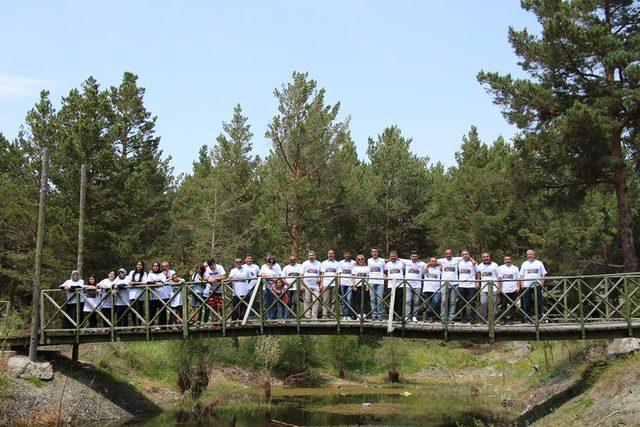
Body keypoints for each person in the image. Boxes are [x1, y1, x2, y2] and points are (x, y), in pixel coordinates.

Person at [519, 249, 547, 323]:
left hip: (537, 285)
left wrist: (542, 284)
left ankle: (539, 318)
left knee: (538, 301)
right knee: (527, 302)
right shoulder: (524, 264)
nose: (529, 256)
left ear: (534, 255)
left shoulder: (539, 263)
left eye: (530, 254)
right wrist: (522, 284)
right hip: (527, 285)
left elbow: (543, 274)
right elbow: (521, 275)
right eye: (527, 254)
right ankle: (527, 319)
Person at [402, 251, 426, 322]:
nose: (414, 258)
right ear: (410, 257)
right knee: (408, 301)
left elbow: (431, 264)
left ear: (418, 257)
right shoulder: (407, 262)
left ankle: (415, 316)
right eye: (413, 256)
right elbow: (396, 258)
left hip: (418, 285)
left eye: (415, 256)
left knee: (416, 302)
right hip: (408, 285)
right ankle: (407, 316)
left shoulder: (422, 264)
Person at [438, 249, 461, 322]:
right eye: (447, 253)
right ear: (445, 254)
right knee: (444, 301)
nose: (448, 255)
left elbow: (466, 256)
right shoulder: (441, 260)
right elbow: (432, 261)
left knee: (452, 301)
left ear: (452, 254)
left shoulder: (457, 259)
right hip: (444, 284)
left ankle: (451, 318)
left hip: (454, 284)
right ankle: (443, 318)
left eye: (449, 253)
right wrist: (427, 266)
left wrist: (472, 260)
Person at [477, 252, 500, 323]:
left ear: (490, 257)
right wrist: (477, 282)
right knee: (483, 303)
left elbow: (499, 276)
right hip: (484, 288)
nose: (485, 258)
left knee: (493, 303)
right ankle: (484, 319)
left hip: (494, 287)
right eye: (484, 257)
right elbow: (478, 274)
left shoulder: (495, 265)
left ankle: (492, 319)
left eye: (487, 257)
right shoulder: (480, 265)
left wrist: (498, 287)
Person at [203, 258, 227, 323]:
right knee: (213, 307)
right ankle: (214, 322)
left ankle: (223, 322)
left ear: (215, 263)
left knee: (220, 307)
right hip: (212, 291)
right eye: (210, 265)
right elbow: (206, 278)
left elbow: (224, 277)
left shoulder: (220, 267)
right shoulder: (207, 269)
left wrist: (215, 279)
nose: (211, 267)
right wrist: (209, 280)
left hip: (220, 290)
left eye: (212, 265)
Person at [457, 250, 478, 323]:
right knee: (462, 302)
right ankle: (464, 318)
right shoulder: (459, 263)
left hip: (471, 286)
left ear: (469, 255)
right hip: (461, 285)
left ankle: (473, 318)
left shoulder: (473, 263)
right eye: (463, 254)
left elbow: (478, 273)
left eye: (466, 254)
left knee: (472, 302)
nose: (464, 256)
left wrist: (477, 282)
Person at [498, 256, 520, 323]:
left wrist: (518, 287)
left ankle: (511, 319)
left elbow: (518, 278)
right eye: (506, 259)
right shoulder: (500, 268)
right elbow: (499, 279)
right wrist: (499, 288)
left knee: (512, 305)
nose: (508, 260)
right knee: (503, 305)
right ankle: (503, 319)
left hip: (513, 289)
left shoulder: (515, 268)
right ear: (504, 260)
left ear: (511, 260)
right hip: (504, 290)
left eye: (509, 259)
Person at [301, 251, 322, 319]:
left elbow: (321, 273)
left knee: (316, 300)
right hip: (307, 285)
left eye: (312, 255)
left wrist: (319, 278)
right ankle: (307, 315)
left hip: (316, 286)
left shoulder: (318, 263)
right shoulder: (305, 263)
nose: (311, 257)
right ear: (308, 256)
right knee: (307, 300)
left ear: (315, 256)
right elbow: (301, 275)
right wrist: (302, 285)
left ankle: (314, 316)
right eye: (310, 255)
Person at [259, 256, 282, 320]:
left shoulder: (276, 268)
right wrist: (269, 276)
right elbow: (260, 275)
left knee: (274, 302)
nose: (271, 263)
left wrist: (272, 279)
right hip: (266, 288)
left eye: (273, 262)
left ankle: (273, 316)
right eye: (270, 262)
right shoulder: (264, 267)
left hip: (274, 288)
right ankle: (268, 316)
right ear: (267, 262)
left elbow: (279, 276)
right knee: (267, 302)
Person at [367, 248, 387, 321]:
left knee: (379, 299)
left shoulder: (382, 260)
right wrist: (367, 283)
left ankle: (380, 315)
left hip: (380, 282)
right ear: (371, 253)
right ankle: (374, 314)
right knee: (372, 299)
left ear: (378, 252)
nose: (374, 253)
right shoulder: (369, 260)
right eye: (373, 252)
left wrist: (385, 278)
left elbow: (385, 271)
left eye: (375, 251)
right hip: (371, 282)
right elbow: (368, 272)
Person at [320, 249, 340, 318]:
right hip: (326, 283)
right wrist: (321, 284)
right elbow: (322, 274)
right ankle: (325, 315)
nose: (331, 255)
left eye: (332, 253)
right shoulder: (324, 263)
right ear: (327, 254)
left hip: (335, 284)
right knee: (325, 299)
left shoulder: (337, 263)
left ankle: (331, 314)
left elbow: (338, 274)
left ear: (334, 255)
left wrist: (338, 284)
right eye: (329, 253)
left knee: (334, 300)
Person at [386, 251, 405, 320]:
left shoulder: (401, 263)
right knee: (391, 301)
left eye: (394, 256)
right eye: (392, 256)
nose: (393, 257)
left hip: (400, 285)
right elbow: (385, 272)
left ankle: (398, 316)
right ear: (390, 257)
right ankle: (391, 316)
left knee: (399, 301)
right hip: (390, 285)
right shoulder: (387, 264)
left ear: (397, 256)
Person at [127, 261, 147, 326]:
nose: (139, 266)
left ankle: (139, 324)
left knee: (140, 310)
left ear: (142, 266)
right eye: (138, 264)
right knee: (133, 310)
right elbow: (129, 281)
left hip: (140, 294)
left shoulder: (144, 273)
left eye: (140, 265)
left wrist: (136, 283)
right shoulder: (132, 272)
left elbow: (145, 282)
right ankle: (134, 325)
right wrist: (133, 283)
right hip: (132, 294)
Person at [148, 261, 168, 325]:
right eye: (154, 266)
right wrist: (157, 283)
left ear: (159, 267)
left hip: (162, 295)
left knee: (162, 312)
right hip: (153, 296)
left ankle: (162, 326)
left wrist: (154, 283)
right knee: (152, 312)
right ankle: (150, 326)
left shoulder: (162, 274)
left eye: (156, 266)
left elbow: (163, 283)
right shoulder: (150, 274)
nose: (155, 267)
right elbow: (148, 282)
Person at [338, 250, 357, 320]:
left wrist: (354, 284)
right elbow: (339, 274)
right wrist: (338, 284)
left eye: (348, 254)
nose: (347, 255)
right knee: (343, 300)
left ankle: (348, 315)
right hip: (342, 283)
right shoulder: (340, 262)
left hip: (350, 283)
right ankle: (344, 315)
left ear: (350, 255)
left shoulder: (354, 263)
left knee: (349, 299)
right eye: (345, 254)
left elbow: (355, 273)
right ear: (343, 255)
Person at [422, 257, 442, 322]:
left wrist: (440, 265)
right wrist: (427, 266)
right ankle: (430, 318)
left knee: (435, 301)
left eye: (434, 261)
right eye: (432, 261)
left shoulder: (439, 268)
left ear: (436, 262)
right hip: (427, 288)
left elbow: (443, 269)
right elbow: (422, 272)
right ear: (429, 262)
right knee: (428, 303)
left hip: (436, 289)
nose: (433, 262)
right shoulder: (426, 268)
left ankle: (426, 313)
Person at [352, 255, 370, 319]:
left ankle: (364, 314)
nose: (360, 260)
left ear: (364, 260)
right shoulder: (355, 268)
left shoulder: (367, 268)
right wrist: (354, 285)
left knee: (365, 300)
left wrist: (368, 286)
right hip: (357, 286)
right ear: (357, 260)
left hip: (365, 285)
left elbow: (368, 277)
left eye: (361, 259)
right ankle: (358, 314)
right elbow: (353, 277)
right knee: (357, 300)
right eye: (359, 259)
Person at [243, 255, 261, 320]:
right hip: (244, 288)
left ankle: (251, 318)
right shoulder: (243, 267)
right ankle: (244, 318)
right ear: (245, 260)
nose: (249, 259)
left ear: (252, 260)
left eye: (250, 258)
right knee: (244, 303)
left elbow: (259, 275)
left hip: (253, 287)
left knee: (252, 303)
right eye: (247, 258)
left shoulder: (256, 267)